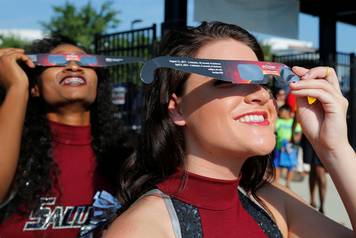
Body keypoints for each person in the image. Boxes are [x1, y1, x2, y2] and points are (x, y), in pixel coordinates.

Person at [106, 22, 355, 237]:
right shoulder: (145, 228)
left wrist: (334, 148)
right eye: (226, 81)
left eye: (261, 80)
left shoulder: (271, 201)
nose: (258, 94)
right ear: (177, 108)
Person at [0, 36, 133, 237]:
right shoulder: (15, 149)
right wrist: (16, 88)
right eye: (58, 61)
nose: (73, 66)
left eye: (85, 62)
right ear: (34, 86)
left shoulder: (125, 157)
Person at [274, 105, 301, 188]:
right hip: (279, 147)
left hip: (291, 149)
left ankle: (288, 183)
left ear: (288, 112)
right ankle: (276, 182)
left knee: (290, 166)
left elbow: (298, 133)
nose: (280, 113)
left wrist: (295, 139)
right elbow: (274, 130)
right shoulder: (278, 121)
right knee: (277, 165)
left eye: (281, 112)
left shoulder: (294, 122)